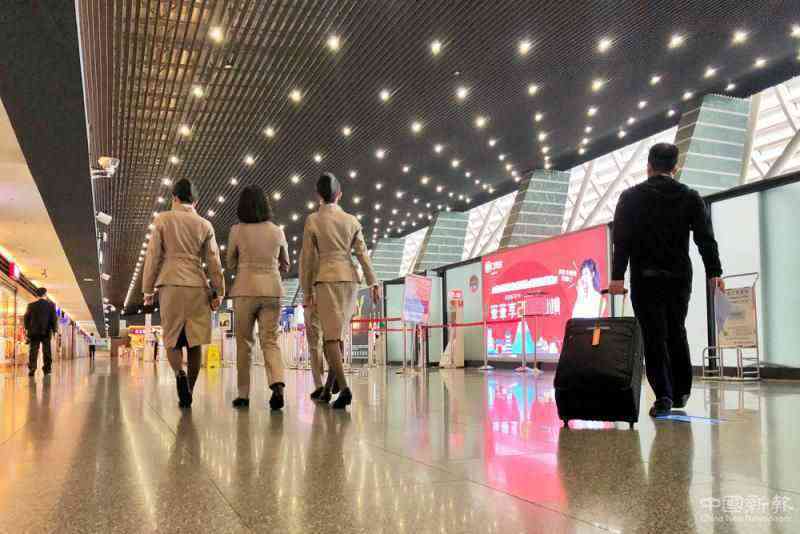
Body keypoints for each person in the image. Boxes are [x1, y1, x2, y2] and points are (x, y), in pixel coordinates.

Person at [609, 143, 723, 417]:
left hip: (645, 278)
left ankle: (664, 395)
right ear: (675, 167)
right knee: (676, 330)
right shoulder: (690, 196)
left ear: (648, 165)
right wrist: (714, 272)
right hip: (678, 278)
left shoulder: (630, 197)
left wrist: (617, 277)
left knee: (653, 335)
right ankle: (682, 390)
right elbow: (705, 239)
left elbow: (621, 242)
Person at [300, 173, 380, 409]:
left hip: (327, 279)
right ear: (340, 195)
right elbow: (362, 254)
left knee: (330, 338)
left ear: (318, 195)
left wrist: (306, 291)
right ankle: (327, 390)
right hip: (351, 280)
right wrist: (373, 282)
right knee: (338, 336)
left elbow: (307, 259)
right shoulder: (352, 221)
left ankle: (344, 389)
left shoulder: (313, 220)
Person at [142, 178, 225, 408]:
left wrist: (147, 290)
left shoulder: (163, 219)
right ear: (196, 202)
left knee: (172, 340)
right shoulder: (205, 225)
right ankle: (189, 388)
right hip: (197, 285)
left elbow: (153, 257)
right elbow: (214, 261)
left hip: (170, 283)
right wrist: (219, 291)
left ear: (174, 198)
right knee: (195, 342)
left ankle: (179, 373)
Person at [227, 185, 290, 410]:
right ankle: (277, 384)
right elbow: (286, 264)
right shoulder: (277, 231)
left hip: (245, 289)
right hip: (272, 290)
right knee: (270, 340)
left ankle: (243, 394)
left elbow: (230, 262)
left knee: (244, 343)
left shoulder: (236, 231)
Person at [24, 287, 58, 376]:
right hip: (46, 331)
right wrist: (55, 330)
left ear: (37, 295)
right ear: (45, 294)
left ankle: (32, 368)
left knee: (33, 350)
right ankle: (47, 369)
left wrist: (27, 329)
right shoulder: (51, 305)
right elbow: (53, 319)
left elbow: (26, 318)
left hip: (33, 332)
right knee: (47, 351)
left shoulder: (31, 305)